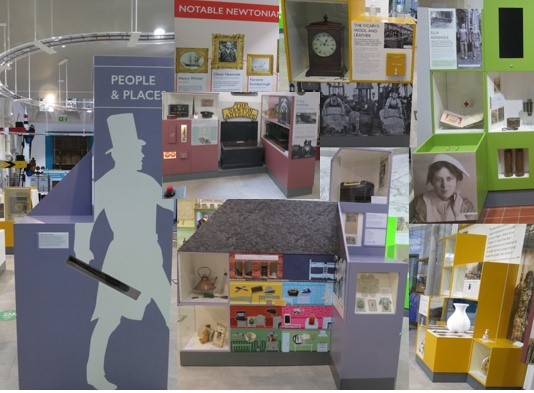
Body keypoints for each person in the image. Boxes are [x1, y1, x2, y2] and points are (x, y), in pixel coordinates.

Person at [85, 113, 173, 389]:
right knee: (109, 318)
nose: (142, 155)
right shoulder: (105, 185)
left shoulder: (147, 182)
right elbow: (86, 219)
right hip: (122, 259)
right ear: (121, 154)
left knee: (166, 308)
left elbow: (168, 203)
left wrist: (170, 181)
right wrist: (81, 247)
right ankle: (93, 373)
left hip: (148, 257)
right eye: (137, 151)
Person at [411, 154, 476, 222]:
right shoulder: (421, 203)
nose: (444, 185)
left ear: (457, 180)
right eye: (438, 179)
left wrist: (458, 213)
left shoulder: (466, 206)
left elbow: (470, 229)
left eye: (449, 179)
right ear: (432, 181)